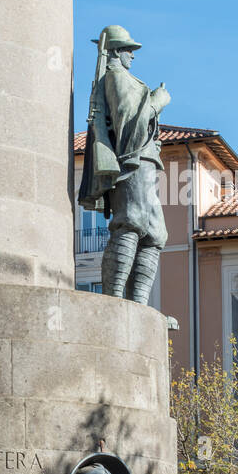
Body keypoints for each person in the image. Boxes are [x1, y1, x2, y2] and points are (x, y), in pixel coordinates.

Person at [78, 24, 170, 305]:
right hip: (132, 161)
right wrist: (157, 102)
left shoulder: (124, 78)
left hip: (145, 161)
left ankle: (139, 303)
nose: (133, 55)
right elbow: (130, 120)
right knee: (131, 221)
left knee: (156, 233)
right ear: (117, 51)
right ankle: (116, 299)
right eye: (130, 49)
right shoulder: (117, 77)